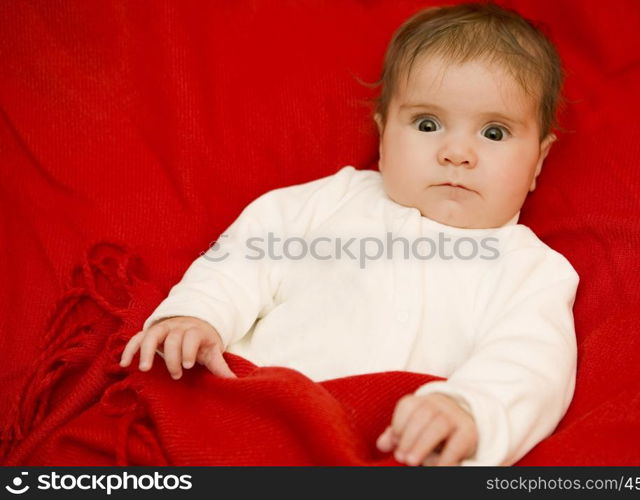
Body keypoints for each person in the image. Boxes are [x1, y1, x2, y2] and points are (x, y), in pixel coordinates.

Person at [119, 2, 579, 467]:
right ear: (383, 135)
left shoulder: (531, 271)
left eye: (495, 133)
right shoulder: (329, 202)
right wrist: (198, 316)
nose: (457, 153)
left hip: (384, 442)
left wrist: (467, 408)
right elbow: (244, 258)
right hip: (249, 411)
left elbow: (531, 363)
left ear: (538, 161)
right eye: (427, 124)